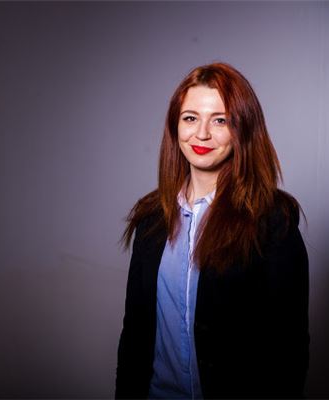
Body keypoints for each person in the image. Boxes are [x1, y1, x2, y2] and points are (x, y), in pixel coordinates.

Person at [115, 63, 309, 399]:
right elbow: (134, 333)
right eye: (190, 118)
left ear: (242, 129)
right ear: (175, 126)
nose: (202, 134)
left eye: (220, 120)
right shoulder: (152, 218)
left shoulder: (272, 220)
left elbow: (288, 349)